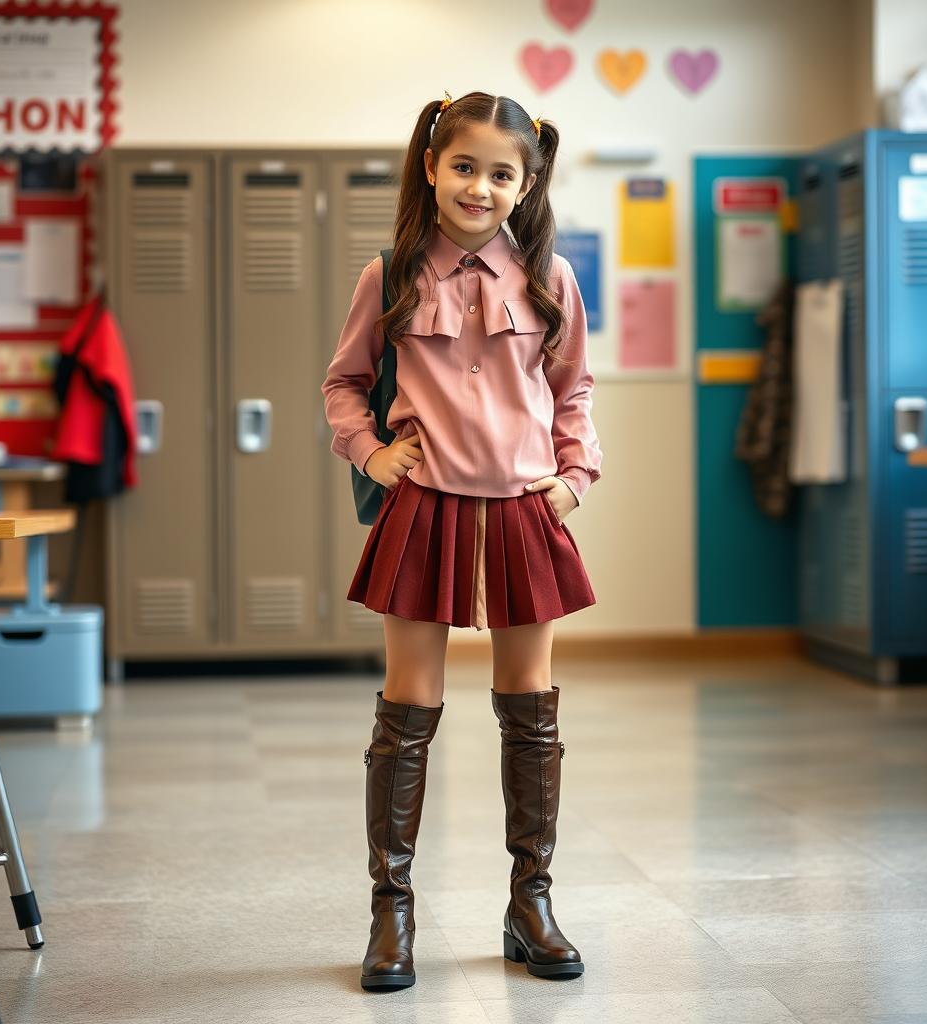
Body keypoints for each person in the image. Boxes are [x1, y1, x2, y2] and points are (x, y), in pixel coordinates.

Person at [321, 90, 602, 992]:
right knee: (408, 710)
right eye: (464, 166)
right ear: (434, 168)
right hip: (426, 509)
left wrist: (573, 476)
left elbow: (575, 393)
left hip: (525, 510)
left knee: (532, 707)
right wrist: (372, 449)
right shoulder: (391, 273)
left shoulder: (552, 280)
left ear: (527, 184)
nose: (480, 187)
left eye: (502, 173)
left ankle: (532, 906)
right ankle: (390, 912)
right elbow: (343, 383)